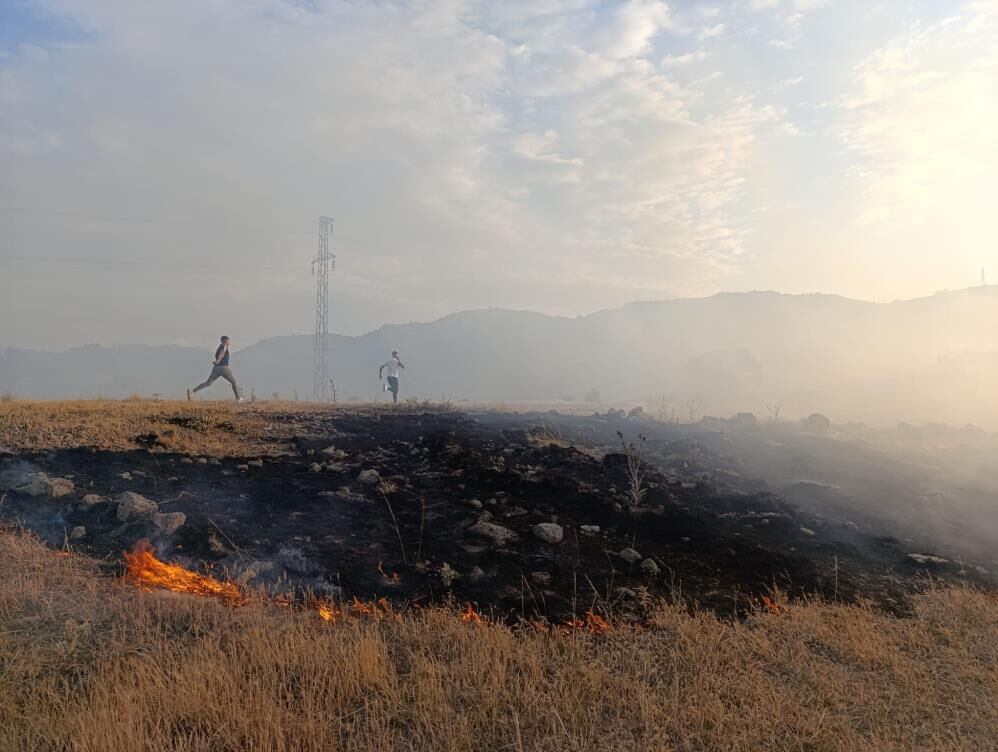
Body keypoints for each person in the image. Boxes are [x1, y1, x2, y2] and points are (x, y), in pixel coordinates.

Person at [188, 335, 242, 402]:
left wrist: (221, 364)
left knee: (208, 383)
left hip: (216, 368)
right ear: (224, 341)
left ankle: (193, 392)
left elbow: (222, 355)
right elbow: (222, 353)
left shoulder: (219, 347)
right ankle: (238, 399)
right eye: (227, 340)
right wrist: (218, 360)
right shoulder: (224, 346)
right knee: (234, 382)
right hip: (223, 368)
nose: (228, 342)